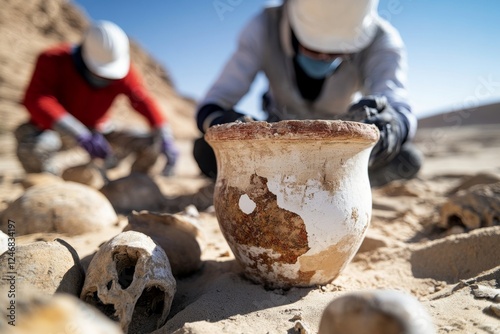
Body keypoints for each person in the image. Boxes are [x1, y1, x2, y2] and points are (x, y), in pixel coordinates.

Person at [193, 0, 422, 187]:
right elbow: (212, 104)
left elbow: (398, 105)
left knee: (406, 160)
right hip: (274, 151)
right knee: (205, 152)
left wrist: (391, 128)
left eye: (336, 53)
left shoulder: (382, 39)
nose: (323, 57)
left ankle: (328, 183)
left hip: (339, 154)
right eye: (312, 48)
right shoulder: (264, 25)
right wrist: (227, 123)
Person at [15, 20, 179, 176]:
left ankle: (134, 182)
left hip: (99, 130)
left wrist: (164, 135)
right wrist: (78, 133)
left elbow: (143, 101)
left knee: (152, 143)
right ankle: (48, 182)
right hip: (57, 130)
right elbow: (37, 99)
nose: (106, 79)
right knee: (32, 147)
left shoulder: (124, 71)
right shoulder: (53, 59)